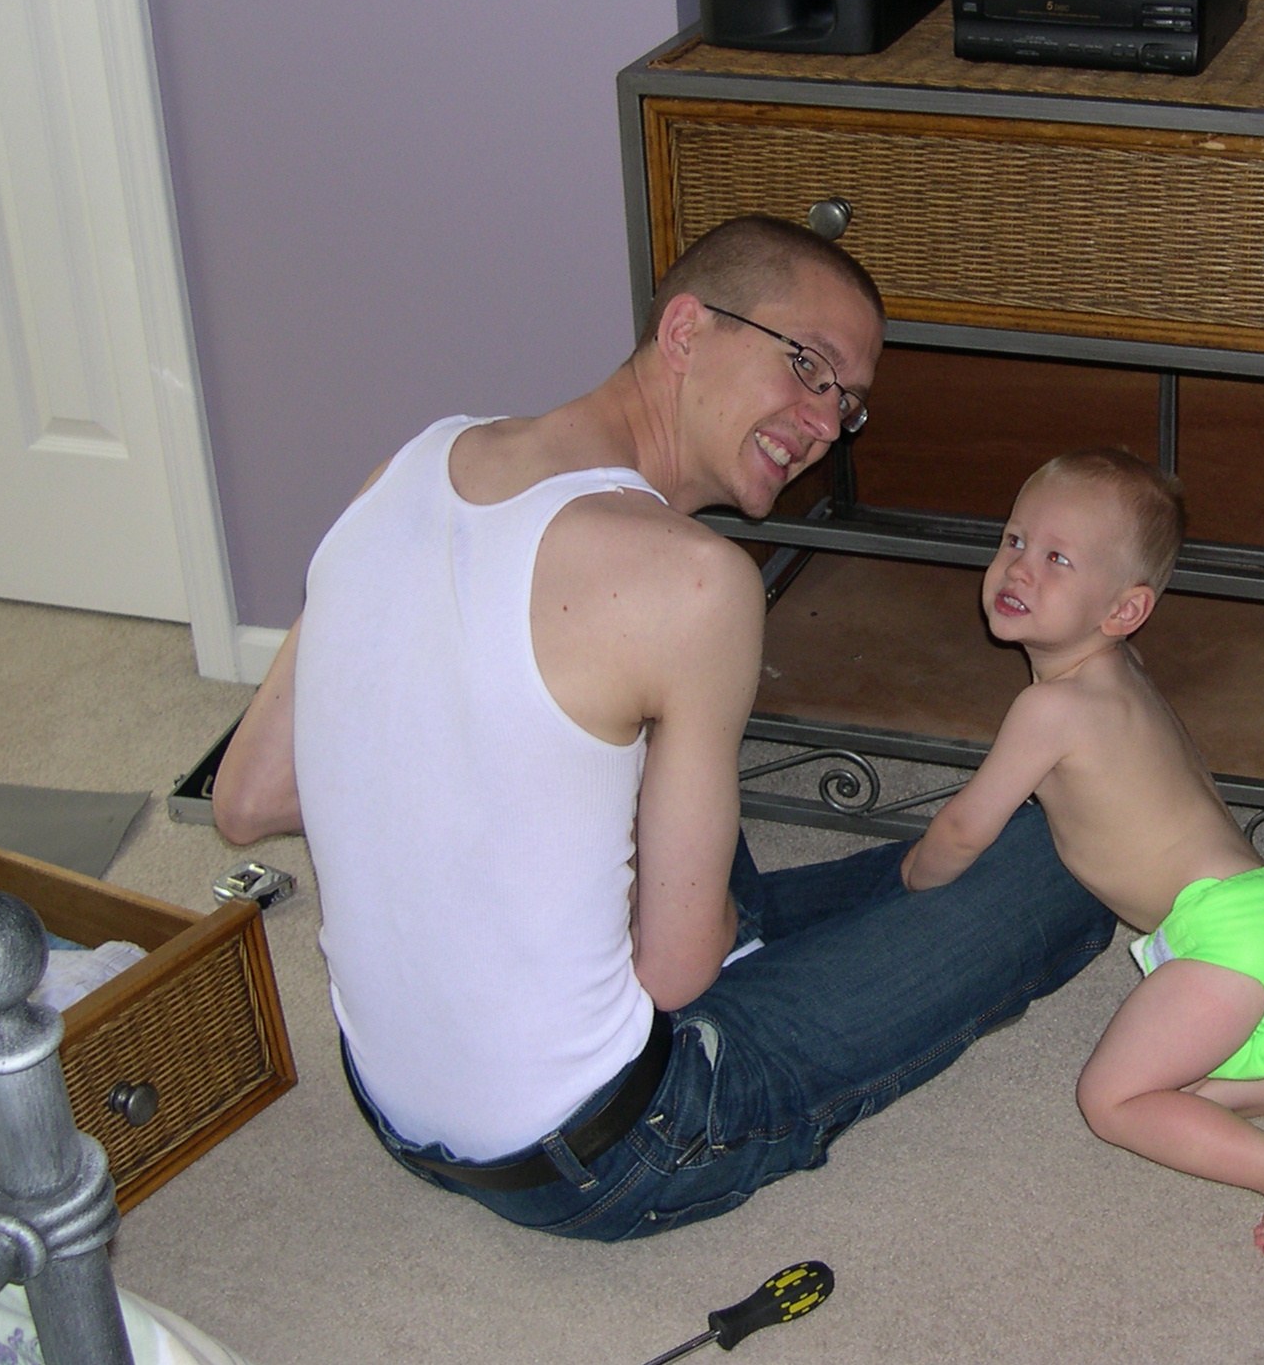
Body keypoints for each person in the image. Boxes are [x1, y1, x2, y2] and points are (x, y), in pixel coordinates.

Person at [211, 214, 1114, 1240]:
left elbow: (249, 801)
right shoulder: (695, 582)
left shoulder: (412, 464)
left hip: (392, 1108)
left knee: (616, 755)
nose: (824, 424)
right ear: (685, 328)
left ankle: (724, 937)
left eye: (848, 404)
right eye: (808, 368)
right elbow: (676, 975)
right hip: (600, 1151)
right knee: (1066, 853)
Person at [900, 449, 1264, 1265]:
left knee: (1111, 1099)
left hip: (1233, 946)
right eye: (1013, 540)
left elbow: (967, 828)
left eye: (1057, 558)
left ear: (1124, 610)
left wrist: (915, 878)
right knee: (1177, 1091)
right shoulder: (1124, 674)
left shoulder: (1048, 707)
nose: (1019, 568)